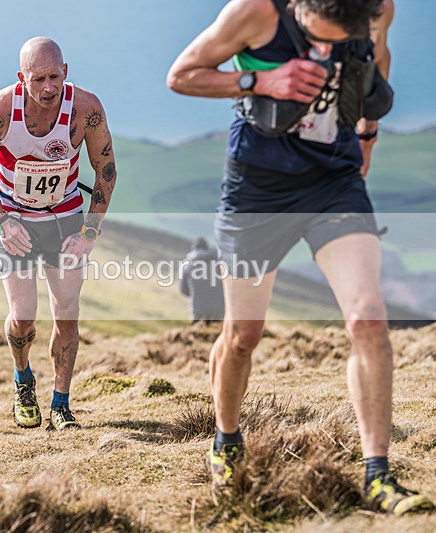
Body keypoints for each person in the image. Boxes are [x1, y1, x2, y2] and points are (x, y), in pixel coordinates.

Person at [168, 0, 433, 515]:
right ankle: (226, 441)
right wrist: (260, 83)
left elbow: (378, 61)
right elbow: (182, 75)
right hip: (256, 191)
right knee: (243, 334)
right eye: (324, 36)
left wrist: (367, 133)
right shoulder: (255, 12)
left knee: (367, 316)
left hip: (334, 181)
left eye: (344, 37)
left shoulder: (378, 9)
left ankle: (378, 474)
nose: (333, 47)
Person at [0, 37, 117, 431]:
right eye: (38, 79)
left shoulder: (86, 109)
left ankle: (61, 402)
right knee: (23, 317)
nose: (49, 88)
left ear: (65, 71)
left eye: (55, 77)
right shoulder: (0, 110)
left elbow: (107, 170)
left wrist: (89, 232)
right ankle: (22, 379)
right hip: (15, 218)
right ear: (21, 78)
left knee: (67, 315)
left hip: (66, 217)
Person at [180, 237, 225, 324]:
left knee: (197, 335)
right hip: (218, 309)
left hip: (198, 310)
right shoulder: (218, 264)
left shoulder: (186, 265)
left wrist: (196, 294)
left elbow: (183, 289)